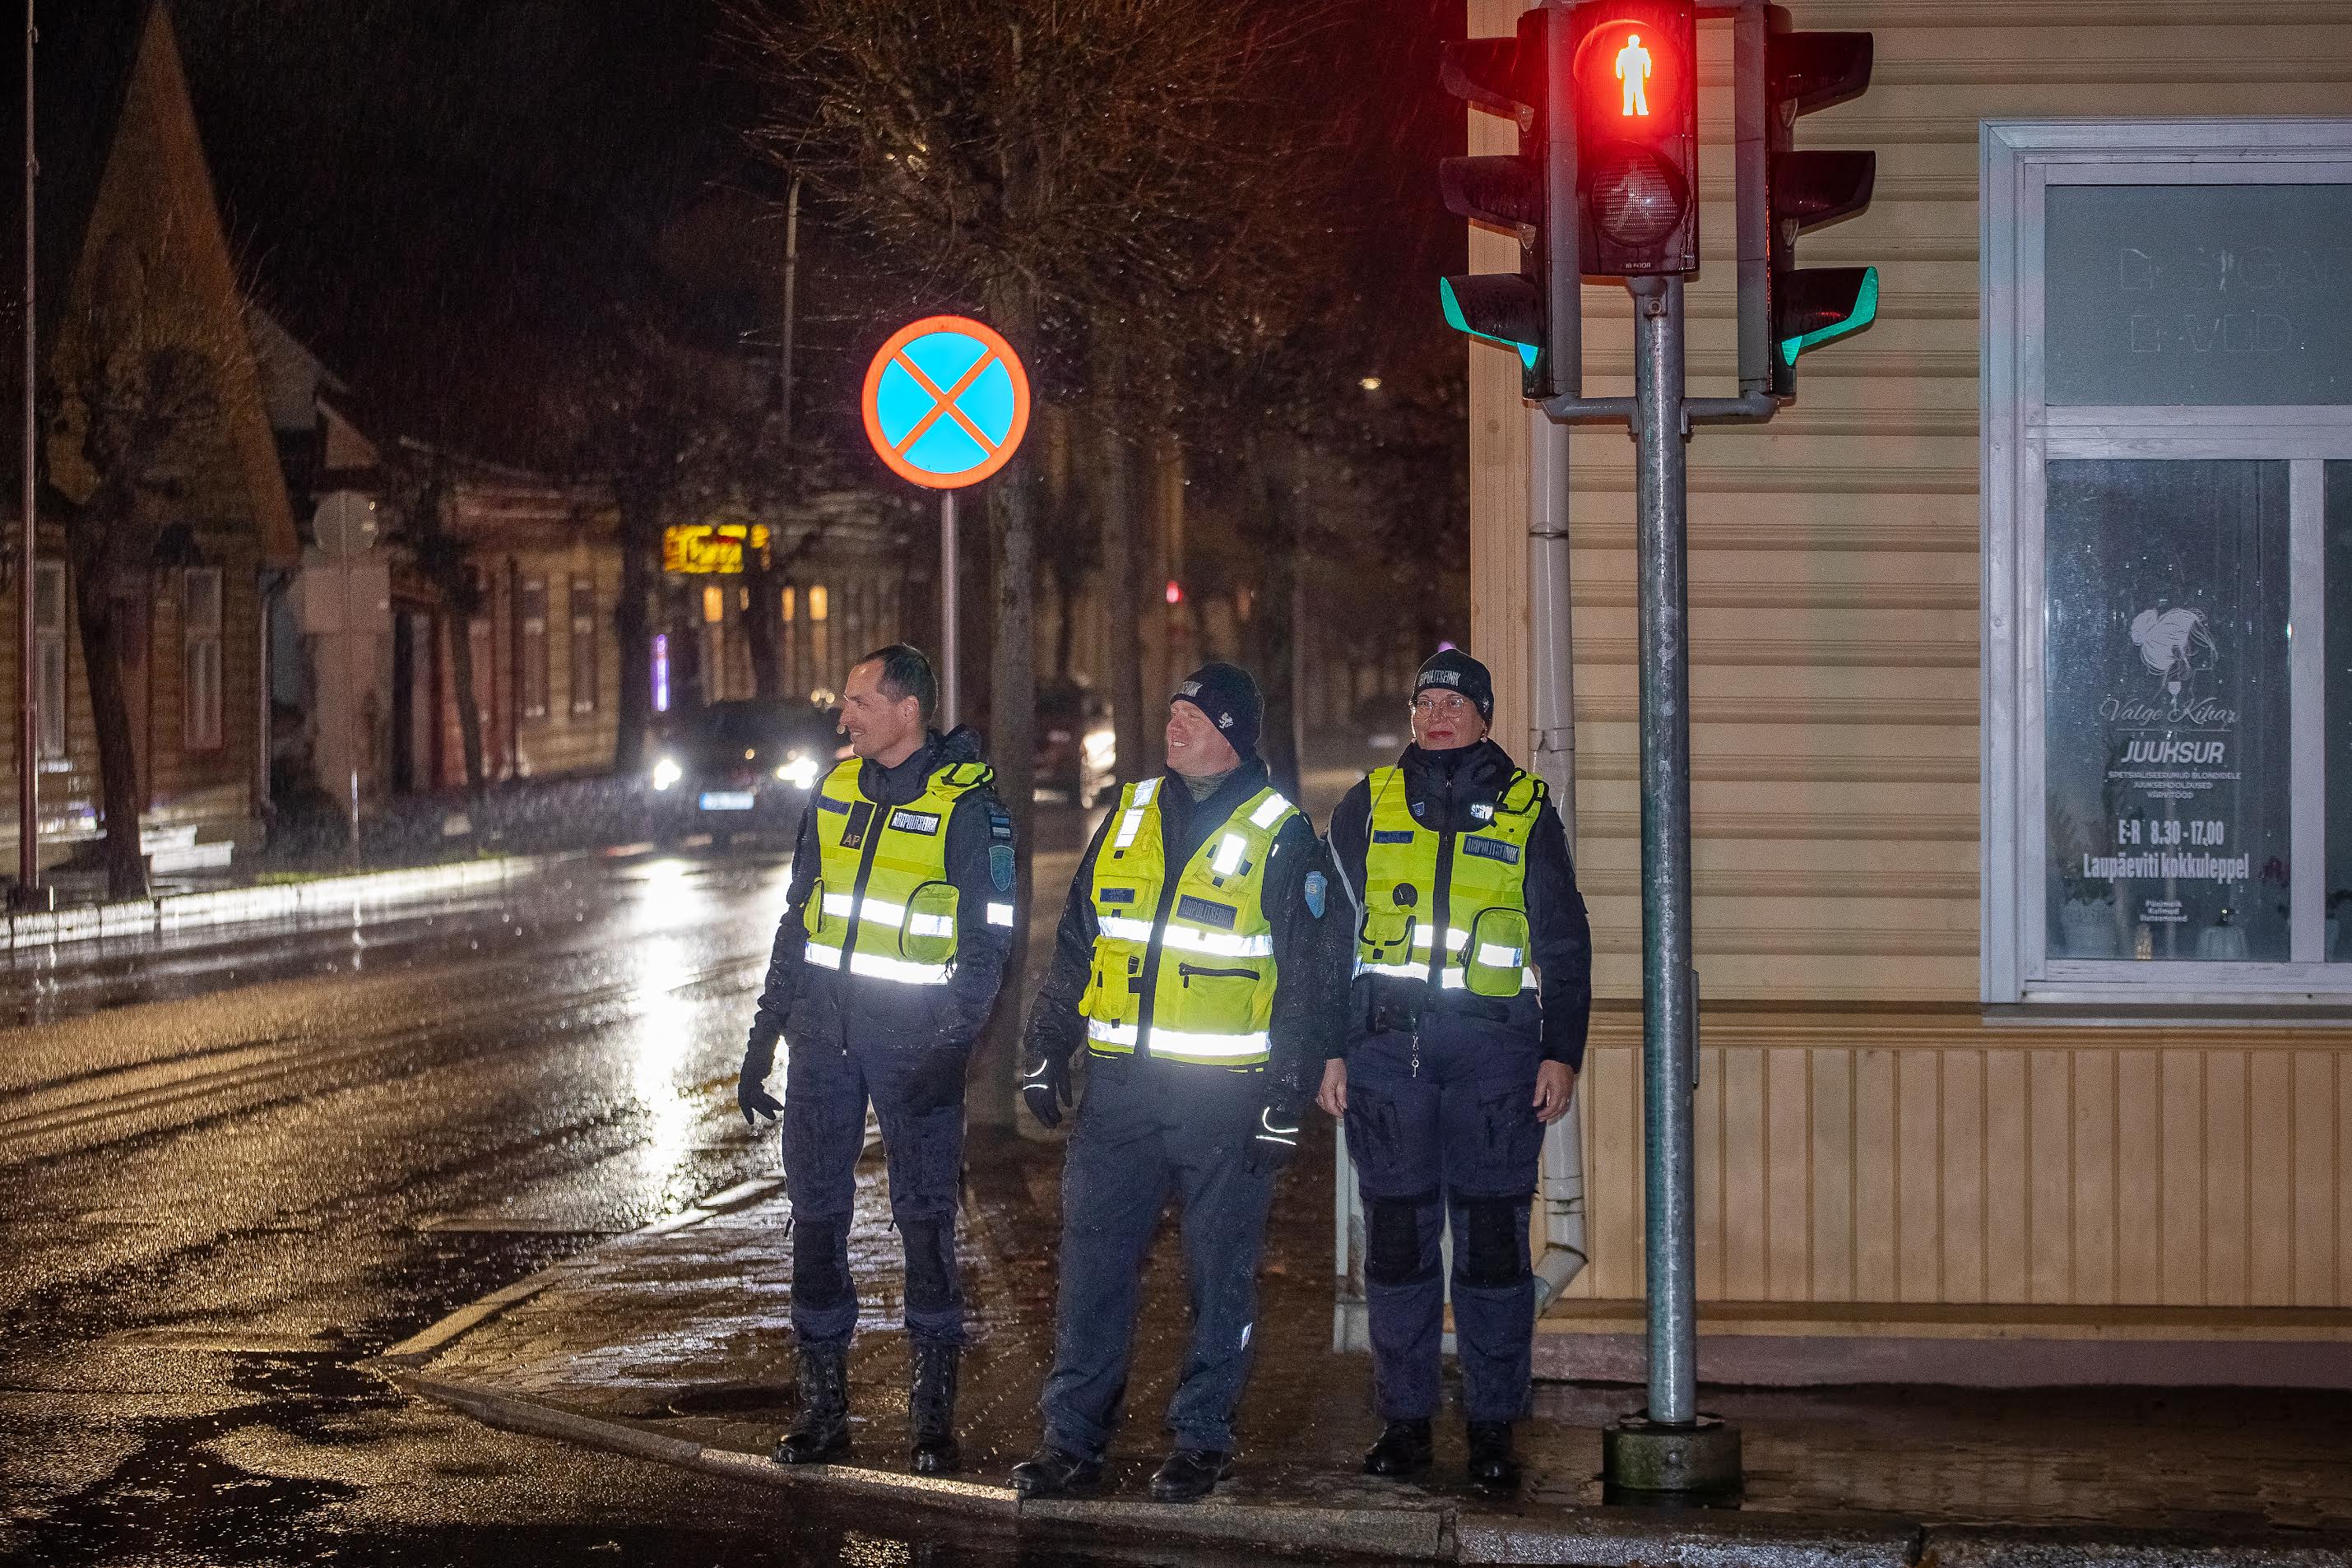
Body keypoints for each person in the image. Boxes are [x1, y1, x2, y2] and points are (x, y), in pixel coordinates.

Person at [1009, 663, 1348, 1505]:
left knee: (1218, 1273)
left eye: (1195, 713)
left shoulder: (1281, 833)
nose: (1176, 722)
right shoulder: (1126, 815)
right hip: (1120, 1092)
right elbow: (1081, 940)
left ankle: (1201, 1440)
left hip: (1225, 1097)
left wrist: (1286, 1090)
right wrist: (1049, 1038)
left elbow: (1309, 974)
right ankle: (1072, 1440)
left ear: (1234, 732)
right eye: (1173, 709)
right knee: (1091, 1267)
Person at [735, 644, 1018, 1475]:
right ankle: (823, 1411)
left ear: (907, 710)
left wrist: (954, 1043)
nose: (844, 715)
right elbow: (798, 920)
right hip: (823, 1044)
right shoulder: (831, 793)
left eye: (860, 701)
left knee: (926, 1226)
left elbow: (987, 943)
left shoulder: (971, 808)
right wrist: (763, 1038)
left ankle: (932, 1420)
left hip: (916, 1048)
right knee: (816, 1224)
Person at [1319, 648, 1591, 1490]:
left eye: (1452, 701)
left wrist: (1562, 1050)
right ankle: (1403, 1425)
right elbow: (1330, 942)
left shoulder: (1524, 812)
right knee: (1397, 1249)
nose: (1435, 713)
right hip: (1386, 1059)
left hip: (1495, 1064)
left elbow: (1564, 940)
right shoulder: (1366, 806)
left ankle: (1493, 1431)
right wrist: (1328, 1047)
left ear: (1484, 715)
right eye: (1423, 700)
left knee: (1490, 1254)